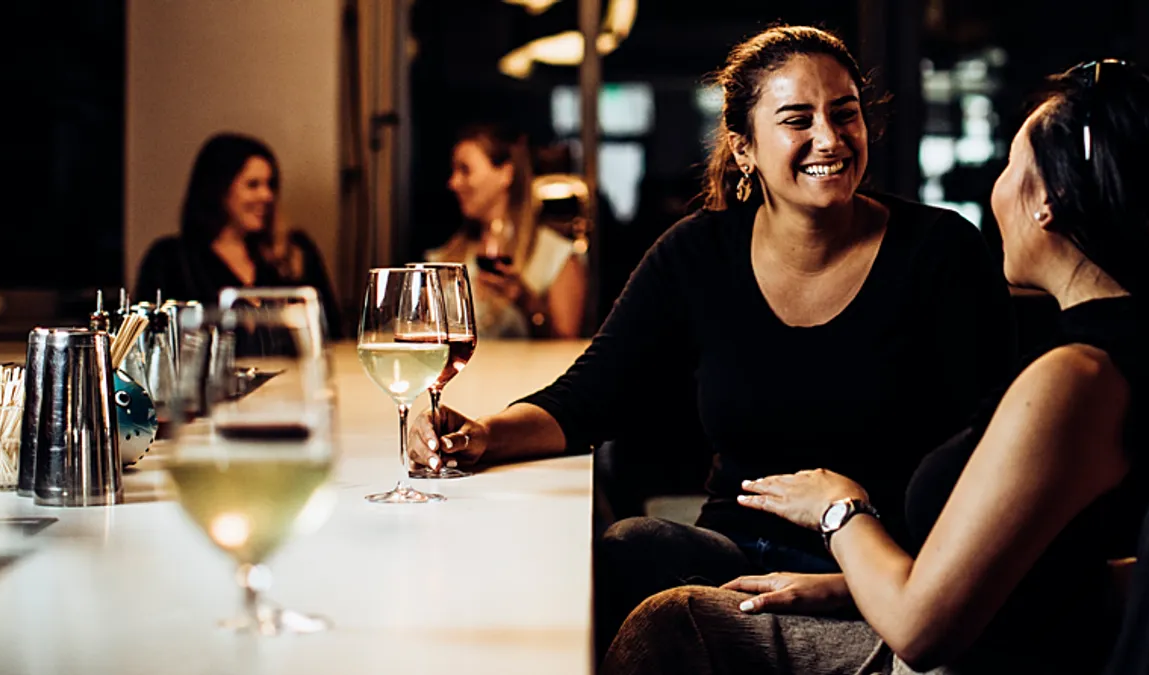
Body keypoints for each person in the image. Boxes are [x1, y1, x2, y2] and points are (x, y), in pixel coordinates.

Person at [408, 24, 1017, 661]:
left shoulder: (941, 253)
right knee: (628, 548)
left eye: (846, 114)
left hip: (884, 570)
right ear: (744, 147)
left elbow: (989, 468)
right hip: (735, 555)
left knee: (669, 622)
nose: (830, 139)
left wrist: (854, 583)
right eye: (797, 119)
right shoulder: (698, 252)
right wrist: (477, 433)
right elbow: (585, 399)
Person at [603, 59, 1149, 675]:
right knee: (644, 551)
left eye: (1010, 165)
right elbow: (1074, 565)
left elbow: (923, 635)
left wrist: (839, 510)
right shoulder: (1129, 348)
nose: (995, 188)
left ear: (1048, 202)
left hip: (966, 654)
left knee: (673, 624)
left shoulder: (1075, 380)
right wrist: (858, 583)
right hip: (941, 607)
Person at [134, 132, 343, 337]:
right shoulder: (171, 260)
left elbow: (332, 333)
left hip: (295, 372)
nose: (267, 195)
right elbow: (151, 342)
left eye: (270, 185)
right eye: (253, 185)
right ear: (219, 189)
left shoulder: (294, 251)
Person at [426, 123, 587, 338]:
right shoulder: (446, 255)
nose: (453, 183)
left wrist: (524, 300)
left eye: (465, 170)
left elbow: (567, 346)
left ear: (505, 174)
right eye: (454, 171)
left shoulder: (557, 257)